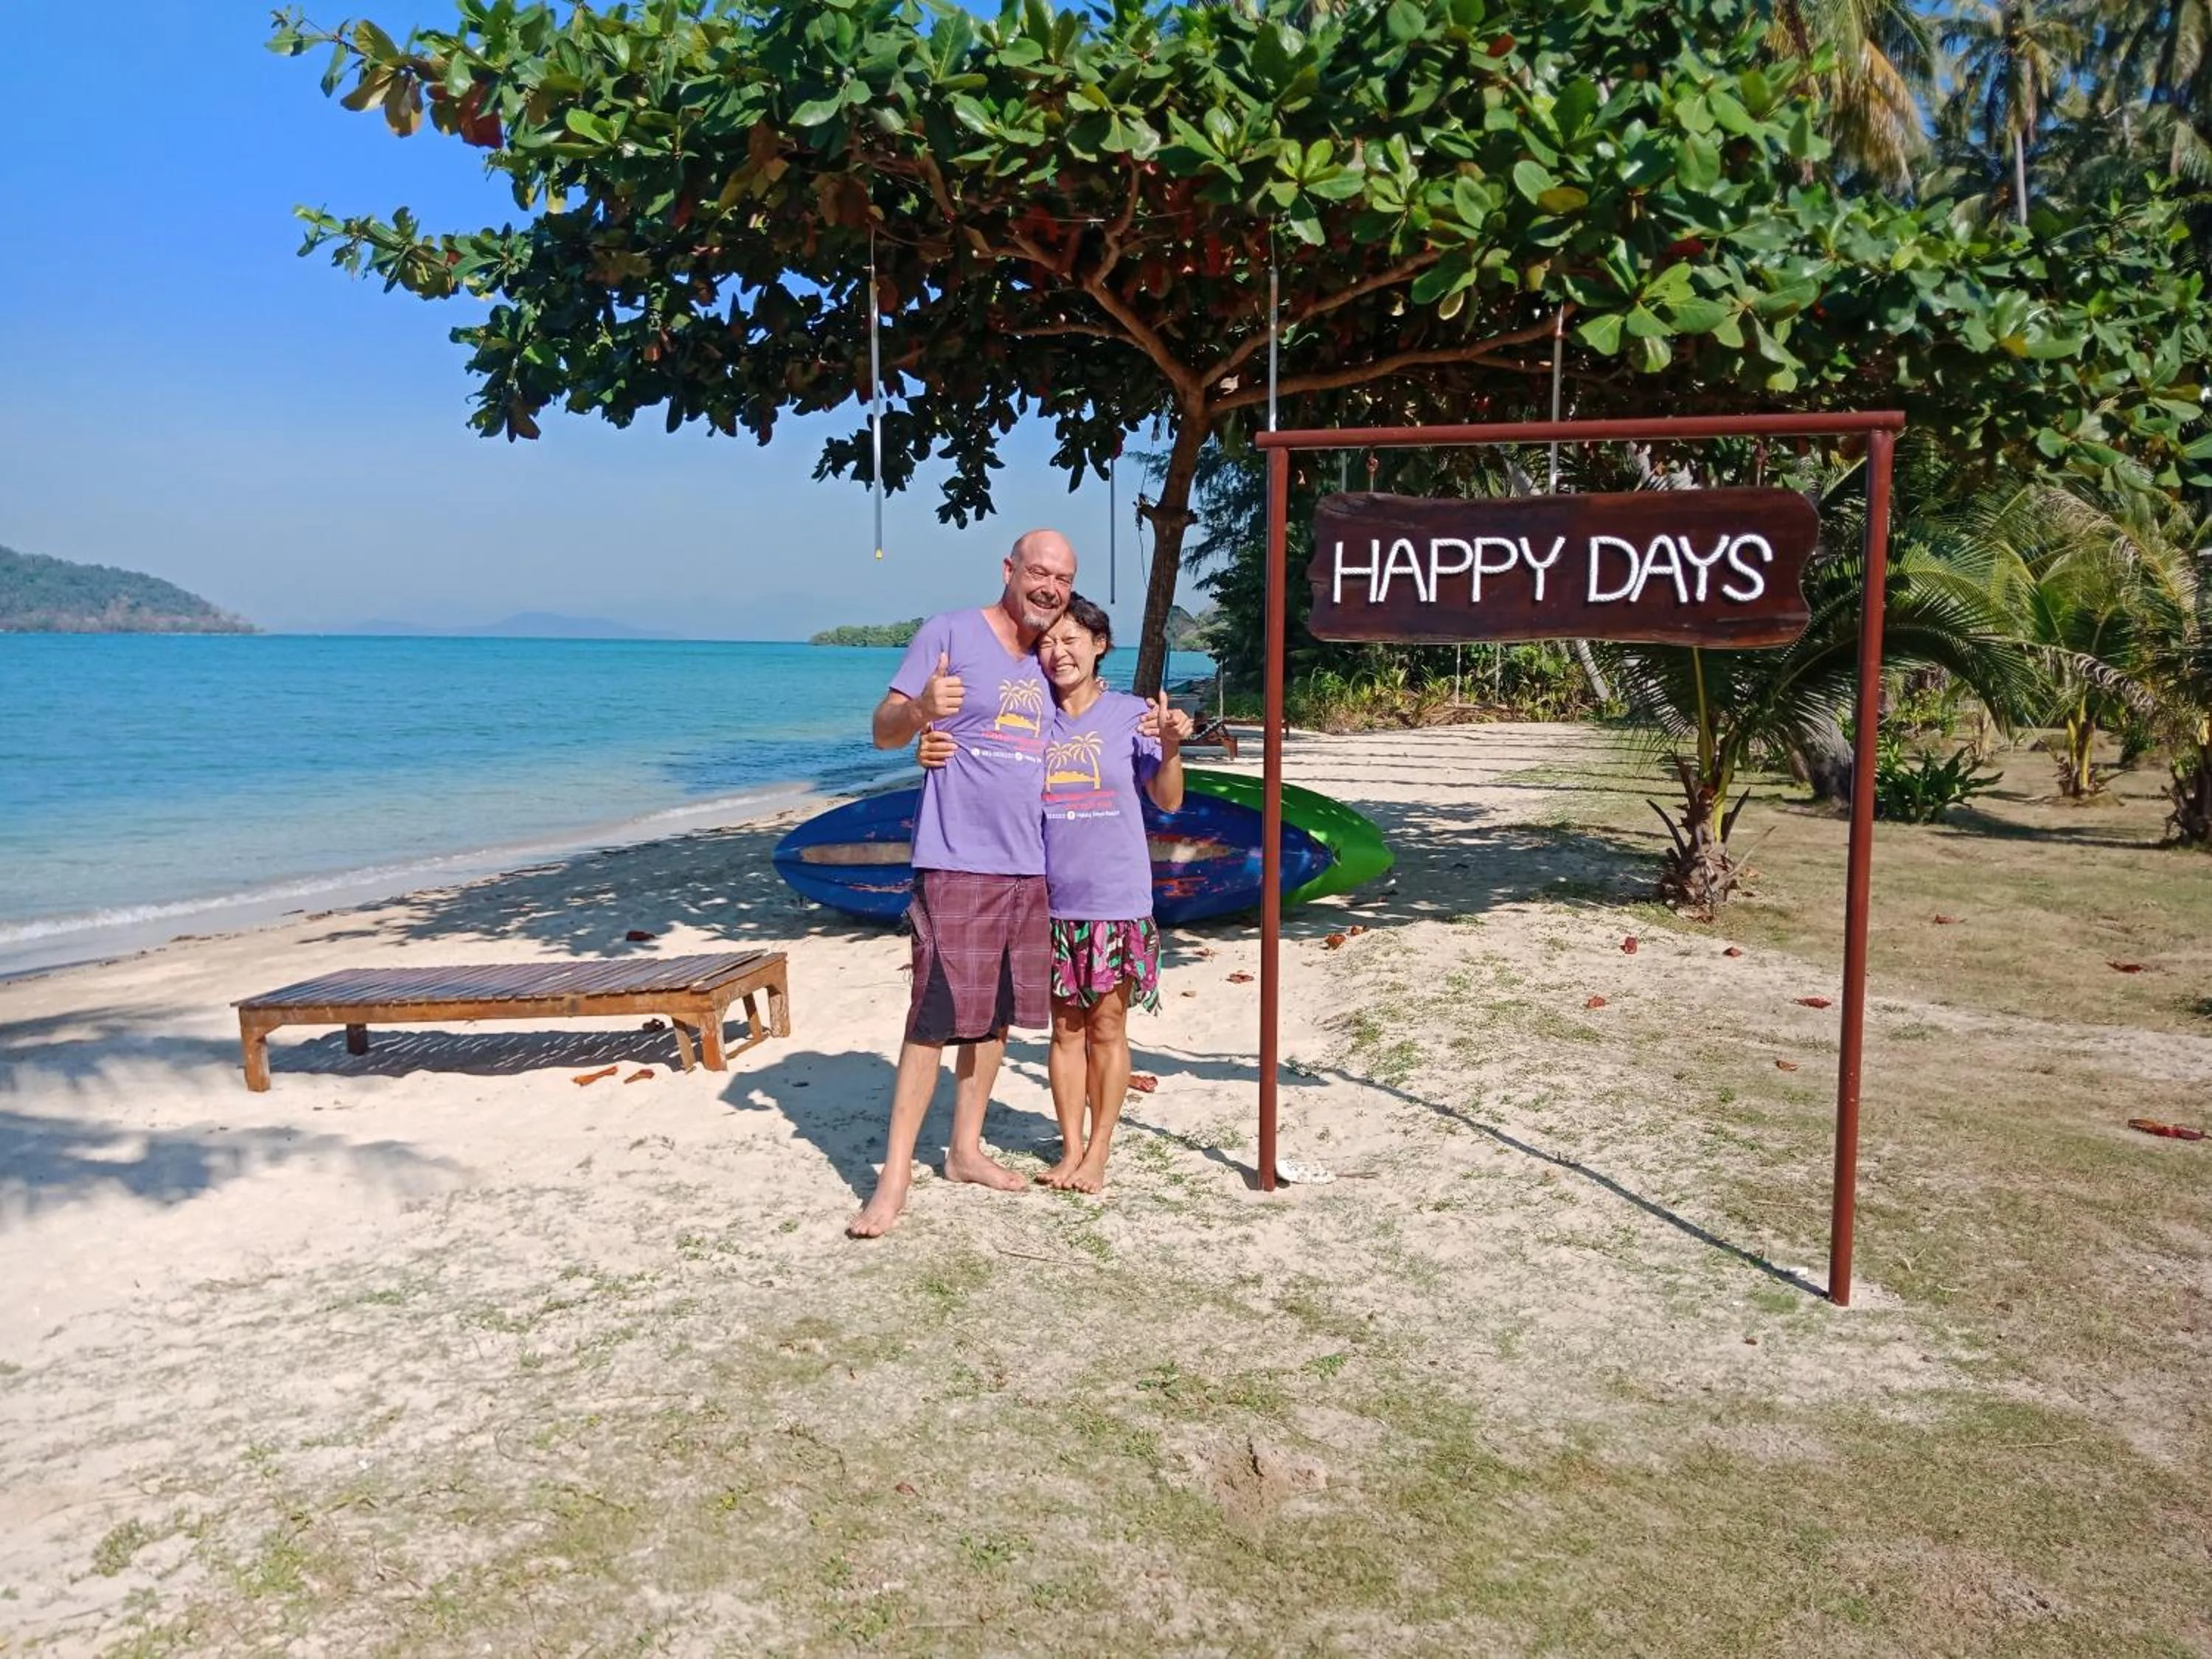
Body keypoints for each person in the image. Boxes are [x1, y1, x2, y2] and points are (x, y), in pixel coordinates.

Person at [848, 529, 1077, 1240]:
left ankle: (965, 1150)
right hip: (955, 859)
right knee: (934, 1016)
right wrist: (921, 712)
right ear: (1009, 570)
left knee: (997, 1016)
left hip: (1028, 865)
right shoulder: (948, 633)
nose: (1049, 587)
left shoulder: (1051, 659)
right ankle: (894, 1177)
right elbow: (883, 730)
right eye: (1038, 572)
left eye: (1063, 579)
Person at [922, 595, 1192, 1193]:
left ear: (1099, 646)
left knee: (1108, 1028)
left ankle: (1099, 1152)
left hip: (1117, 901)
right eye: (1046, 642)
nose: (1056, 652)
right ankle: (1071, 1150)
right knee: (1064, 1031)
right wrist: (928, 742)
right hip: (1048, 903)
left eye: (1070, 640)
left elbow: (1169, 800)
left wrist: (1171, 746)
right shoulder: (1033, 714)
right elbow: (975, 755)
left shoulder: (1131, 716)